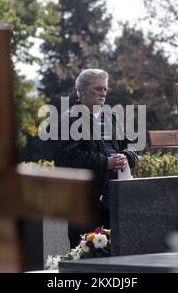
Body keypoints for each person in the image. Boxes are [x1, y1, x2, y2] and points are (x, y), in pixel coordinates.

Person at [53, 69, 139, 248]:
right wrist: (105, 163)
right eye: (98, 89)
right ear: (81, 90)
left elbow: (131, 148)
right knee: (87, 258)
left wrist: (126, 157)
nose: (103, 93)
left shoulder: (112, 117)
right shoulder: (68, 119)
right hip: (86, 202)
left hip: (115, 199)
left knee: (118, 258)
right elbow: (65, 157)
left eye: (105, 89)